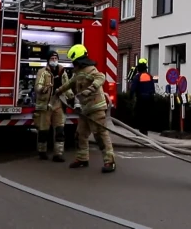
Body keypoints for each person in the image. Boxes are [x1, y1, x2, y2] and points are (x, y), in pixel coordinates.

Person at [55, 44, 115, 173]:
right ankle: (82, 158)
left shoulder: (90, 70)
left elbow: (101, 77)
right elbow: (70, 83)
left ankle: (110, 161)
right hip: (85, 110)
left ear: (78, 60)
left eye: (74, 61)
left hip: (96, 108)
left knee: (100, 135)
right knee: (80, 134)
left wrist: (91, 89)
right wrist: (58, 91)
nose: (73, 64)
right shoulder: (78, 73)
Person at [34, 51, 73, 162]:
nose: (54, 60)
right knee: (43, 130)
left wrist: (71, 96)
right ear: (48, 59)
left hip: (59, 103)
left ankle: (58, 154)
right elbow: (37, 86)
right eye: (52, 58)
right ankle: (42, 152)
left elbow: (67, 85)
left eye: (56, 57)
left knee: (60, 129)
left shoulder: (62, 72)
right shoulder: (42, 72)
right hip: (46, 104)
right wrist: (44, 88)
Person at [129, 58, 155, 136]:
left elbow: (133, 88)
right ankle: (145, 131)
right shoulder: (149, 76)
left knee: (140, 115)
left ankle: (140, 132)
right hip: (149, 99)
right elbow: (153, 89)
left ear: (139, 68)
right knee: (147, 115)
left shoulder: (137, 77)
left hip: (141, 99)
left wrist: (130, 97)